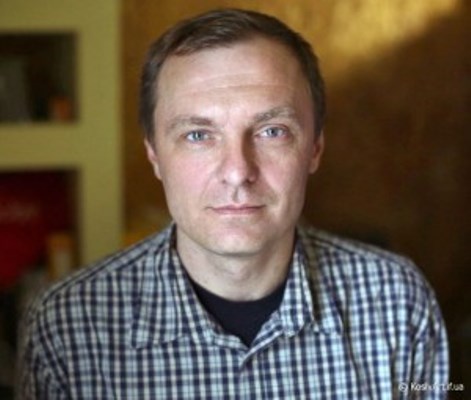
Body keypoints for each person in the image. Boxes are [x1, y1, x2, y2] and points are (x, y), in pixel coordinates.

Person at [18, 8, 448, 399]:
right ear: (154, 155)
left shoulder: (399, 302)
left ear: (315, 147)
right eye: (198, 135)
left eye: (272, 131)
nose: (238, 171)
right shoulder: (65, 329)